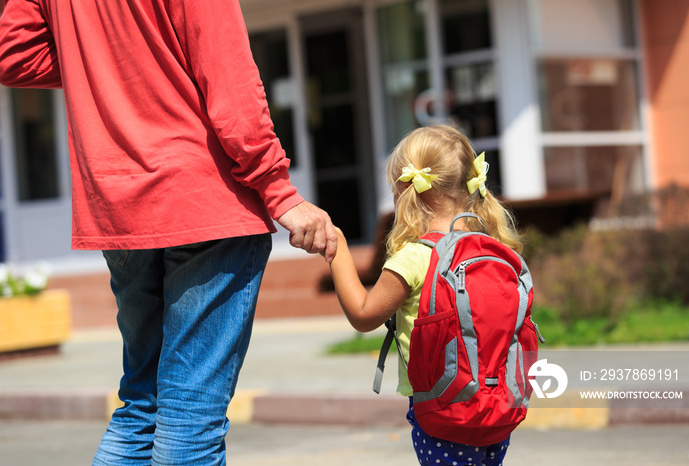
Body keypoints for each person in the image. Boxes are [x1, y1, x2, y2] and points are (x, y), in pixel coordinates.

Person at [0, 0, 336, 464]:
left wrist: (100, 58)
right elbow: (230, 80)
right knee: (188, 415)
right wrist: (280, 193)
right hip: (202, 201)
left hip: (118, 206)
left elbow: (13, 54)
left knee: (142, 406)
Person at [327, 125, 522, 466]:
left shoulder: (416, 256)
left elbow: (362, 314)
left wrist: (338, 248)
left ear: (406, 190)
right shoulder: (492, 250)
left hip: (443, 413)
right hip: (497, 408)